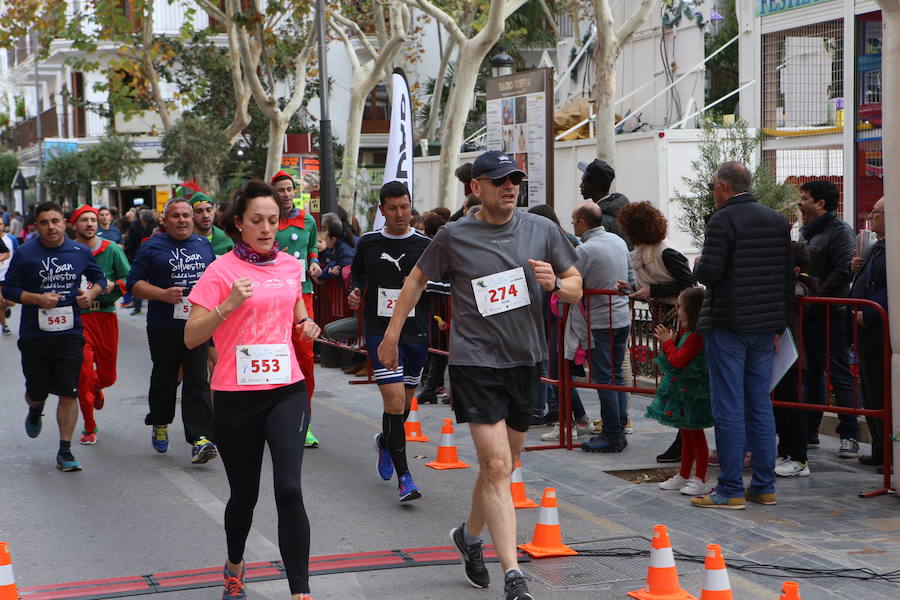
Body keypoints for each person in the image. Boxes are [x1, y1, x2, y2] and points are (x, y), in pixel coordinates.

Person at [377, 150, 582, 600]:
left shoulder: (542, 229)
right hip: (474, 362)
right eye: (498, 180)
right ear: (477, 188)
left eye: (514, 179)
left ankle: (469, 536)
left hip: (525, 360)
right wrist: (392, 334)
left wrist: (557, 286)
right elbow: (415, 280)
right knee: (493, 464)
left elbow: (575, 284)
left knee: (504, 466)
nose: (509, 186)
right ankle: (513, 574)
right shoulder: (454, 235)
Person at [185, 180, 319, 600]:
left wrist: (306, 326)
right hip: (235, 397)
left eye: (273, 221)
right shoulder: (220, 270)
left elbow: (296, 312)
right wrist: (227, 306)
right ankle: (235, 564)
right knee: (244, 496)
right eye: (257, 220)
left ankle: (300, 591)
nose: (266, 228)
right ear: (239, 224)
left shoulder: (288, 266)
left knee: (290, 488)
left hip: (286, 390)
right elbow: (191, 337)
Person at [691, 161, 792, 510]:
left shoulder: (722, 220)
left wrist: (698, 264)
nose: (712, 193)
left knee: (729, 406)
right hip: (765, 326)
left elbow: (711, 273)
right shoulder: (777, 220)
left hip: (729, 323)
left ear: (722, 186)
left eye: (712, 187)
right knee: (760, 405)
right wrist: (780, 324)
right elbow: (785, 277)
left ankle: (730, 489)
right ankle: (764, 486)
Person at [3, 201, 107, 471]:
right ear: (36, 226)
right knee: (37, 391)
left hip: (70, 332)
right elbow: (11, 290)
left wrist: (91, 293)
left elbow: (100, 280)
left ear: (65, 223)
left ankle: (65, 451)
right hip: (35, 335)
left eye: (55, 221)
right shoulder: (26, 254)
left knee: (68, 392)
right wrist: (37, 298)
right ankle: (36, 409)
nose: (51, 227)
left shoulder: (79, 251)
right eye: (44, 222)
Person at [347, 181, 431, 501]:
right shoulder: (368, 243)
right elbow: (357, 274)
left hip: (416, 331)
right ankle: (405, 477)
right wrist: (354, 291)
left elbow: (439, 281)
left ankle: (385, 442)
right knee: (394, 402)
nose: (399, 214)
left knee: (404, 404)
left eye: (404, 207)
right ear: (381, 210)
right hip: (379, 330)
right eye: (392, 208)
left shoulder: (427, 245)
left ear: (411, 207)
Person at [126, 198, 218, 464]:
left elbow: (214, 281)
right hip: (163, 326)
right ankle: (161, 421)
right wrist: (162, 294)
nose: (182, 220)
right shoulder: (151, 247)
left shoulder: (203, 245)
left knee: (197, 379)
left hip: (197, 325)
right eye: (176, 216)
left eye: (186, 215)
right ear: (165, 221)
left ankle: (200, 438)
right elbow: (134, 284)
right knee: (165, 379)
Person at [616, 201, 697, 463]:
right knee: (676, 382)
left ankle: (683, 443)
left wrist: (652, 292)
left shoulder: (665, 252)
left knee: (680, 382)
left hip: (679, 323)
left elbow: (689, 284)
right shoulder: (646, 252)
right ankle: (683, 442)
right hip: (668, 321)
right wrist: (631, 288)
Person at [797, 180, 859, 458]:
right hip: (807, 315)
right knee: (811, 374)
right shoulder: (804, 233)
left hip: (831, 314)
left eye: (804, 197)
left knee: (839, 373)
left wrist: (818, 294)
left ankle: (849, 435)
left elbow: (844, 269)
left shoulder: (840, 231)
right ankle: (810, 432)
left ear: (821, 203)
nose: (800, 202)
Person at [566, 203, 632, 453]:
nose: (572, 223)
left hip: (601, 321)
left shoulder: (586, 250)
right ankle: (618, 427)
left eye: (573, 219)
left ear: (582, 222)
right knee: (615, 375)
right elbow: (630, 278)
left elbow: (572, 282)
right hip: (621, 316)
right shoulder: (617, 241)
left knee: (604, 378)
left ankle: (612, 433)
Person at [70, 205, 131, 445]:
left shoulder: (112, 249)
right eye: (83, 220)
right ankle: (89, 425)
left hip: (105, 316)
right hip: (78, 320)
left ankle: (98, 386)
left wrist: (114, 285)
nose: (89, 224)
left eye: (93, 220)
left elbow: (130, 277)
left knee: (107, 376)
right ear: (74, 225)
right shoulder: (68, 251)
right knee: (83, 374)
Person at [271, 170, 322, 448]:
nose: (286, 194)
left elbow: (312, 246)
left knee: (305, 357)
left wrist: (314, 262)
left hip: (303, 295)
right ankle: (273, 418)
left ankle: (305, 419)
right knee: (276, 355)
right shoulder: (267, 221)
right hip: (273, 297)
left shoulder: (308, 219)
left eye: (289, 189)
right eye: (280, 190)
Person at [649, 288, 714, 495]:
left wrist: (667, 342)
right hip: (685, 390)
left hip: (693, 392)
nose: (677, 310)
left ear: (691, 310)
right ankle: (684, 474)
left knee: (695, 435)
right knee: (686, 434)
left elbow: (677, 360)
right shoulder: (688, 333)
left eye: (680, 306)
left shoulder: (696, 336)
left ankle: (700, 478)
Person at [849, 198, 888, 468]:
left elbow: (890, 289)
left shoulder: (893, 248)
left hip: (878, 332)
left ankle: (887, 452)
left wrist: (870, 314)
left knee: (881, 392)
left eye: (877, 212)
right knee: (870, 391)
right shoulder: (877, 247)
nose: (871, 217)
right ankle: (878, 447)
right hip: (865, 332)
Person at [773, 242, 818, 478]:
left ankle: (800, 459)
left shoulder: (801, 286)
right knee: (780, 407)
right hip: (781, 358)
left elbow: (796, 294)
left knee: (792, 407)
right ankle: (785, 452)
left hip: (793, 357)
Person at [578, 158, 631, 248]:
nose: (581, 186)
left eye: (584, 181)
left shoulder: (599, 219)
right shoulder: (621, 209)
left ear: (594, 184)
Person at [123, 208, 157, 315]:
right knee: (139, 281)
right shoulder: (135, 226)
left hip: (152, 257)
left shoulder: (154, 227)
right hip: (138, 257)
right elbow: (130, 243)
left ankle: (140, 305)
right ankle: (137, 306)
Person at [0, 220, 19, 335]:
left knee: (11, 302)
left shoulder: (11, 239)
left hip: (9, 274)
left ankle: (6, 306)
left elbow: (13, 254)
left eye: (1, 224)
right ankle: (5, 326)